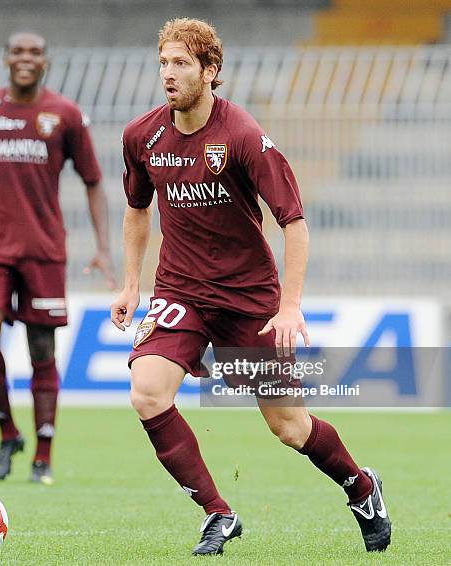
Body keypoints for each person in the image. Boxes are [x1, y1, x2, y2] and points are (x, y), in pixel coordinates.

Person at [111, 18, 391, 556]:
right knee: (147, 392)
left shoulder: (241, 136)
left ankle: (362, 488)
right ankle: (219, 513)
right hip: (181, 293)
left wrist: (289, 307)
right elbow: (136, 210)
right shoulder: (141, 136)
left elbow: (294, 221)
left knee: (289, 427)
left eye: (181, 64)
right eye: (163, 62)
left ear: (210, 71)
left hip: (247, 302)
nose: (168, 74)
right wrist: (130, 284)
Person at [0, 31, 115, 485]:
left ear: (46, 61)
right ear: (5, 59)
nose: (26, 58)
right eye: (18, 51)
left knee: (41, 348)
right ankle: (7, 432)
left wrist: (102, 246)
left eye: (35, 52)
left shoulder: (66, 115)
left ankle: (44, 455)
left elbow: (93, 181)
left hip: (43, 248)